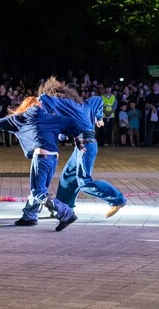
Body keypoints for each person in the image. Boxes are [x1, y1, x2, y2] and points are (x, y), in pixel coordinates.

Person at [0, 96, 82, 231]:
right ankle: (30, 215)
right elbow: (72, 123)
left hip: (41, 157)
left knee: (38, 192)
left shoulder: (23, 117)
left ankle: (66, 213)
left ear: (25, 106)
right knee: (40, 189)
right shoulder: (51, 117)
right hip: (53, 158)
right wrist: (77, 140)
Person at [38, 76, 127, 218]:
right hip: (80, 145)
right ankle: (64, 208)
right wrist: (98, 117)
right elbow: (98, 100)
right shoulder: (83, 104)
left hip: (87, 144)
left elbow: (45, 101)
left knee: (84, 182)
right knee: (68, 175)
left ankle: (118, 199)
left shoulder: (62, 103)